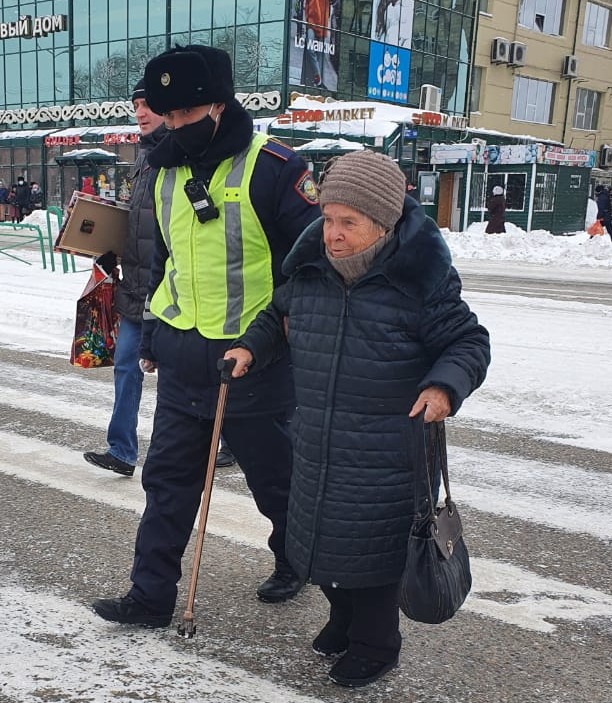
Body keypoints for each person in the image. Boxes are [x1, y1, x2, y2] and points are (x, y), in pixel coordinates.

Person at [223, 150, 490, 688]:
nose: (334, 235)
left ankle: (377, 643)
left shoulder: (419, 283)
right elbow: (277, 315)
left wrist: (444, 386)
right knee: (319, 543)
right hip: (318, 439)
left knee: (372, 556)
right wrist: (251, 346)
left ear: (384, 224)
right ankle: (342, 620)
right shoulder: (310, 271)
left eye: (350, 223)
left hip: (387, 451)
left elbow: (468, 341)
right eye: (328, 219)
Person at [91, 44, 321, 627]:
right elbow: (164, 258)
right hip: (182, 355)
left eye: (182, 115)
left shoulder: (273, 168)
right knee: (166, 483)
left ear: (218, 106)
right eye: (163, 114)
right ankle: (150, 598)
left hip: (255, 362)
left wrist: (270, 342)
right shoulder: (161, 170)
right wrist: (151, 333)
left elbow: (308, 270)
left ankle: (294, 560)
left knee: (277, 484)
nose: (171, 125)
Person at [84, 79, 168, 478]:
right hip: (136, 287)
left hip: (172, 292)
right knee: (125, 365)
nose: (140, 112)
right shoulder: (142, 158)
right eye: (136, 105)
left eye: (148, 104)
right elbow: (136, 221)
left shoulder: (181, 156)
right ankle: (121, 451)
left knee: (182, 380)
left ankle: (215, 444)